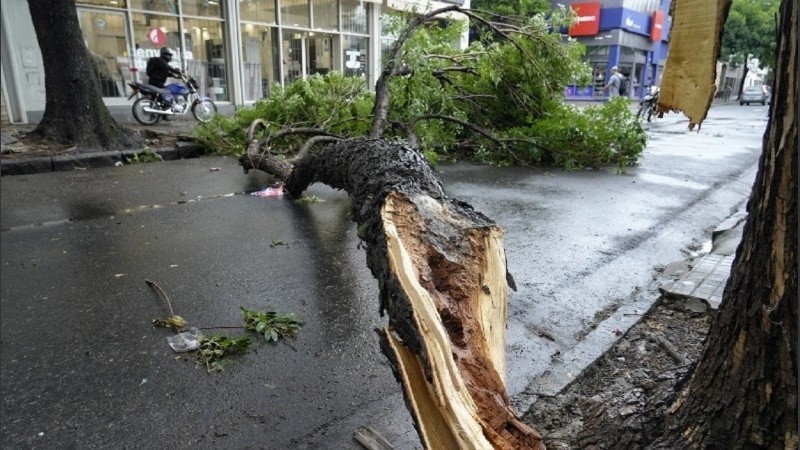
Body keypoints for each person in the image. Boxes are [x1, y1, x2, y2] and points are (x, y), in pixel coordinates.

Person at [145, 47, 182, 119]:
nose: (169, 57)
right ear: (163, 55)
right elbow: (168, 68)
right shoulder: (160, 61)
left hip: (155, 81)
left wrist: (174, 76)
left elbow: (163, 73)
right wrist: (179, 72)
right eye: (168, 55)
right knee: (167, 97)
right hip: (156, 82)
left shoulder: (160, 63)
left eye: (170, 55)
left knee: (156, 98)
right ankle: (163, 115)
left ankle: (154, 116)